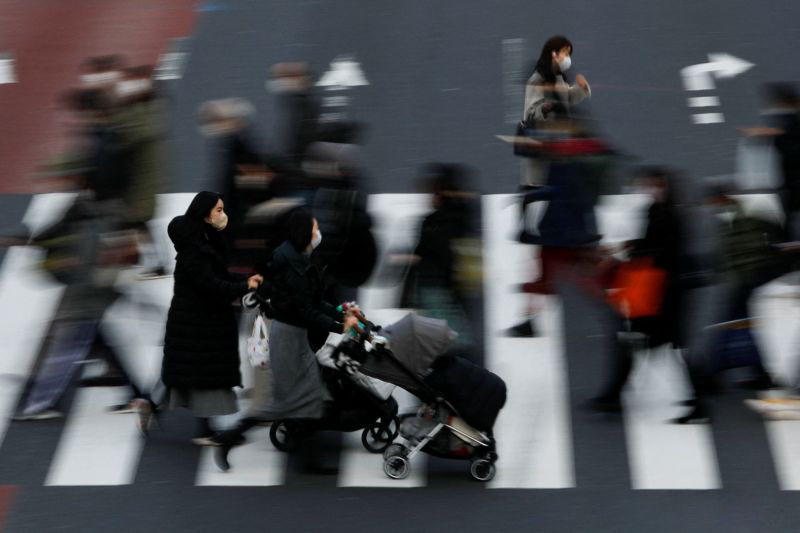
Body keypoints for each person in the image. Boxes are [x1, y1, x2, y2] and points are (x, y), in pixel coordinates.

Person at [212, 208, 361, 471]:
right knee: (285, 402)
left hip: (295, 335)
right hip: (290, 338)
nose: (318, 234)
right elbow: (306, 311)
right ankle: (229, 439)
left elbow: (314, 302)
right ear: (305, 233)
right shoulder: (295, 268)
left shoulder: (299, 258)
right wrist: (341, 326)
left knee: (307, 397)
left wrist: (340, 312)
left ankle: (307, 457)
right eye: (314, 229)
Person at [150, 192, 263, 445]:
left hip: (201, 320)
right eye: (218, 210)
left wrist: (245, 281)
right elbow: (211, 285)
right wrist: (244, 286)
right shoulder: (194, 251)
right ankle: (203, 430)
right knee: (203, 376)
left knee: (187, 373)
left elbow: (220, 276)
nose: (223, 215)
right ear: (204, 214)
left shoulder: (206, 238)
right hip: (197, 322)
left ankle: (151, 407)